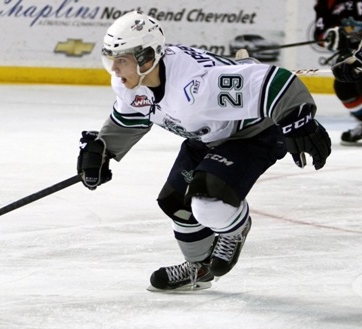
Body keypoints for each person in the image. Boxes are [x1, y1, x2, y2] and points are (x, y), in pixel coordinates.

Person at [77, 11, 332, 291]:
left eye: (121, 60)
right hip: (207, 135)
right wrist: (102, 150)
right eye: (111, 59)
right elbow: (131, 118)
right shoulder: (132, 82)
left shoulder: (196, 87)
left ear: (147, 58)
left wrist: (298, 120)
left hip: (253, 134)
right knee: (177, 204)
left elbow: (276, 83)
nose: (114, 69)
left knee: (208, 199)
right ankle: (198, 268)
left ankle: (235, 228)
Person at [314, 0, 362, 145]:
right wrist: (332, 35)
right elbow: (320, 35)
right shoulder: (327, 2)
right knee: (344, 85)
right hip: (353, 53)